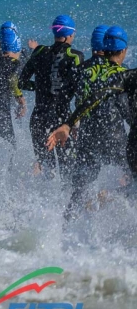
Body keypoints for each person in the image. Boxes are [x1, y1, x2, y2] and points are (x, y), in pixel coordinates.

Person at [47, 26, 130, 219]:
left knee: (79, 189)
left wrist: (70, 125)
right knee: (131, 178)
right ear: (123, 50)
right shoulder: (122, 73)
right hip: (115, 138)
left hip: (87, 137)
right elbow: (126, 110)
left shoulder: (81, 70)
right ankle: (111, 198)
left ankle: (64, 230)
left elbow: (67, 100)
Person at [18, 15, 84, 177]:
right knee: (68, 171)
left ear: (54, 33)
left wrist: (41, 88)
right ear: (70, 35)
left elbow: (21, 83)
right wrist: (75, 123)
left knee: (48, 171)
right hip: (62, 121)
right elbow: (80, 92)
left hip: (38, 119)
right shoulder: (75, 56)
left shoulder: (39, 51)